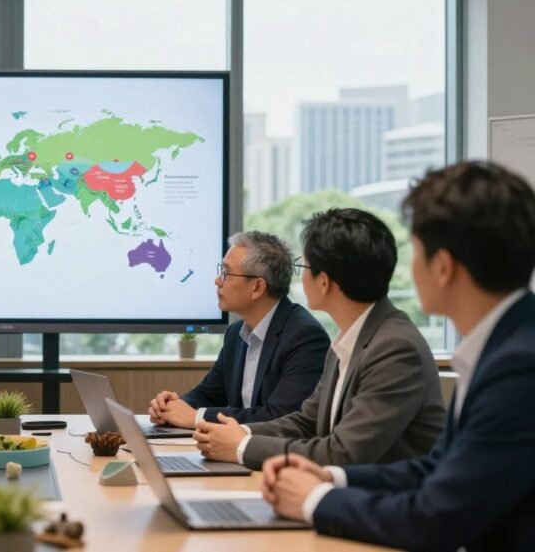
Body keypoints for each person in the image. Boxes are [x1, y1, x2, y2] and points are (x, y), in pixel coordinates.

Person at [263, 161, 535, 551]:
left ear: (443, 267)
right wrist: (333, 479)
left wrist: (315, 500)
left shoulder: (517, 366)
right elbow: (435, 469)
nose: (408, 267)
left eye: (417, 251)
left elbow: (435, 521)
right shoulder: (502, 345)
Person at [194, 208, 445, 470]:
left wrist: (242, 446)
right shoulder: (350, 338)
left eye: (303, 266)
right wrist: (241, 433)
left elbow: (344, 453)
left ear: (323, 282)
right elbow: (307, 421)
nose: (298, 277)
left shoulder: (395, 348)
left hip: (383, 493)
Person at [149, 231, 329, 426]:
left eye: (226, 273)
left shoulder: (305, 337)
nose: (217, 280)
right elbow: (207, 394)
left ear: (257, 288)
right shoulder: (236, 333)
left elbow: (280, 416)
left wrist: (196, 417)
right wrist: (173, 407)